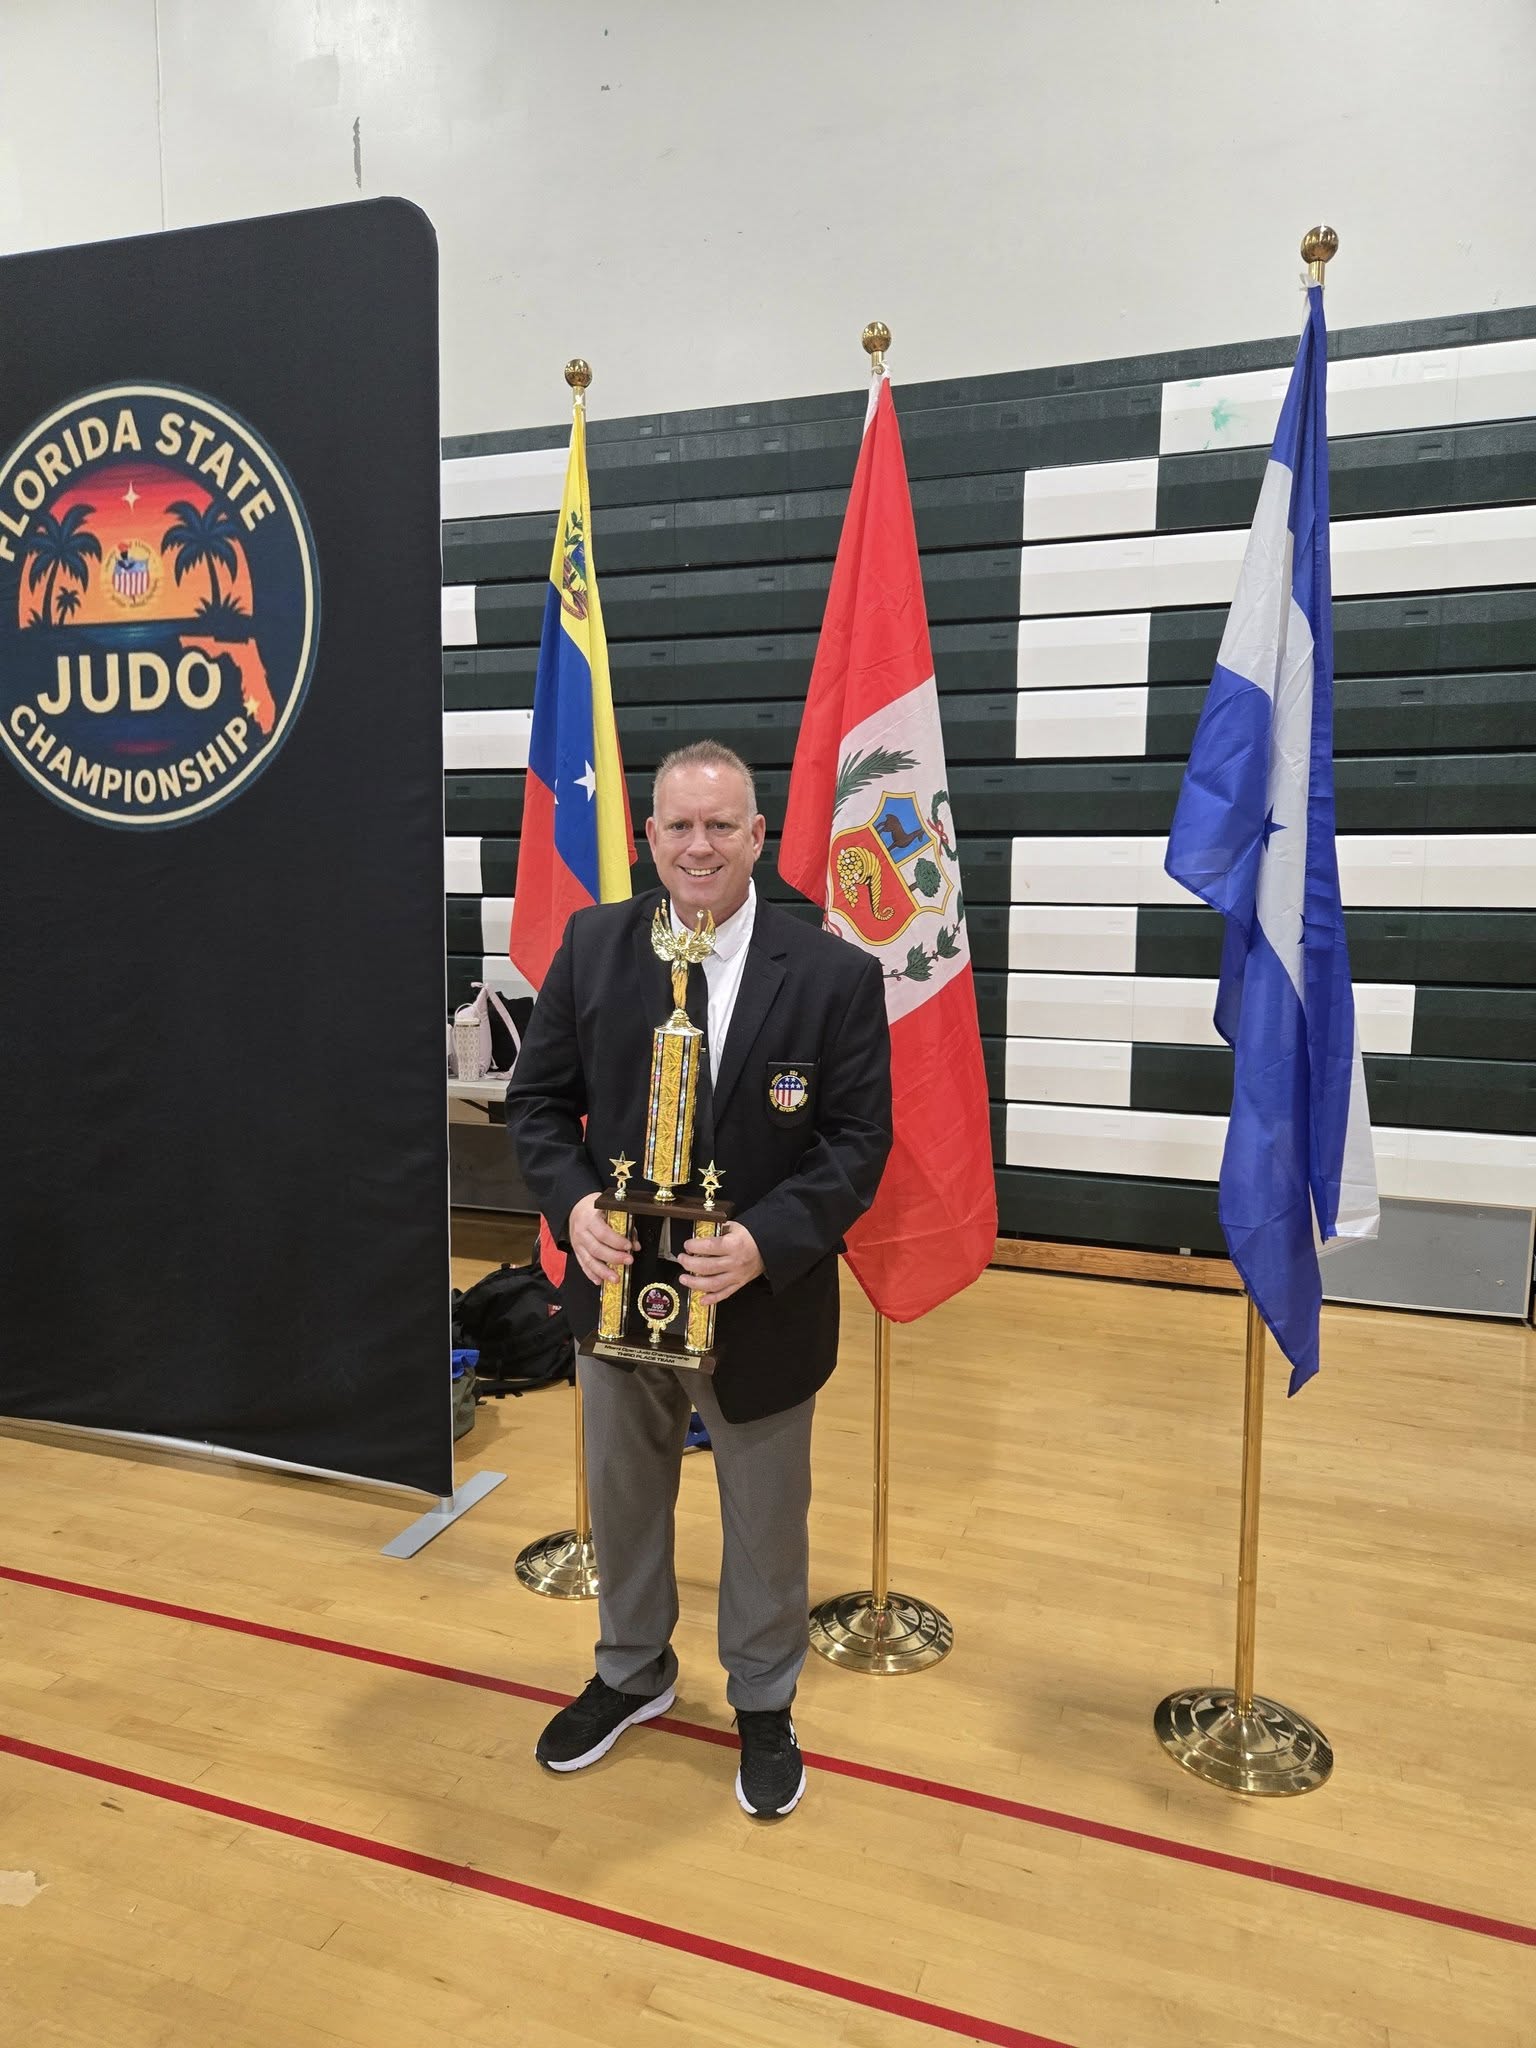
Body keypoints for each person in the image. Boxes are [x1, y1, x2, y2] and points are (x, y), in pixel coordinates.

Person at [506, 740, 892, 1818]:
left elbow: (859, 1141)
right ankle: (632, 1668)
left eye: (722, 824)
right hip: (617, 1290)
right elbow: (538, 1107)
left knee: (766, 1518)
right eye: (678, 825)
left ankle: (763, 1699)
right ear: (649, 837)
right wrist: (575, 1205)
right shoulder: (591, 946)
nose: (698, 845)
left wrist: (769, 1237)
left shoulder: (832, 974)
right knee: (626, 1498)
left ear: (759, 836)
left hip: (757, 1301)